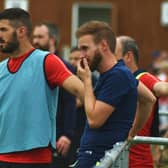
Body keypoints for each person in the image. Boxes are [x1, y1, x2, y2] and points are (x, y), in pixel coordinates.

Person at [0, 8, 84, 168]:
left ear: (21, 31)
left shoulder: (46, 61)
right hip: (2, 156)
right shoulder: (1, 69)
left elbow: (81, 92)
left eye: (3, 29)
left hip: (34, 160)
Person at [74, 20, 155, 168]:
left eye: (85, 48)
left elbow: (94, 120)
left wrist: (86, 81)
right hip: (96, 157)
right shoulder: (118, 72)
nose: (82, 55)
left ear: (104, 45)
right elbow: (149, 99)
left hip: (99, 159)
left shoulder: (117, 76)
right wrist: (132, 133)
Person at [115, 35, 168, 168]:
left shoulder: (143, 78)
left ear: (128, 56)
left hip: (138, 162)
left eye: (113, 52)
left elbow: (163, 88)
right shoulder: (114, 80)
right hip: (118, 157)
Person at [33, 22, 77, 167]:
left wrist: (67, 134)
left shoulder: (65, 67)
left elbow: (70, 103)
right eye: (34, 37)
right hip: (34, 137)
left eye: (40, 37)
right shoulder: (31, 66)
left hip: (57, 137)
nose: (35, 41)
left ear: (52, 40)